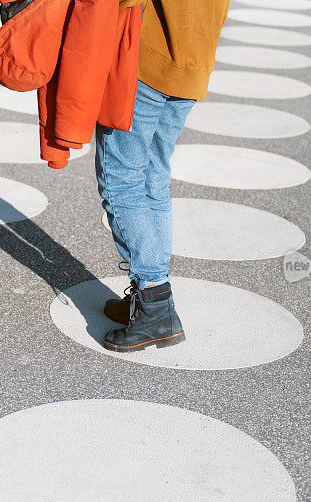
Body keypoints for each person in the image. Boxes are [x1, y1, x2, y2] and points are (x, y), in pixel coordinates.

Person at [97, 0, 231, 352]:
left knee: (122, 182)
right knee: (153, 182)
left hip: (145, 58)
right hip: (194, 60)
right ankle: (151, 296)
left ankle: (155, 303)